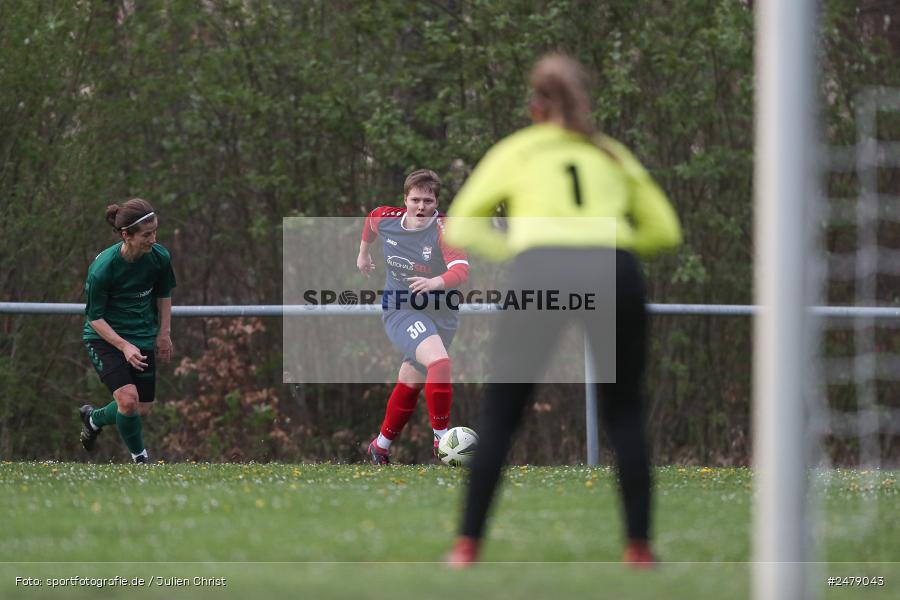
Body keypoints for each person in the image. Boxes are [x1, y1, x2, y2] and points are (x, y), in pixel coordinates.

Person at [443, 54, 682, 566]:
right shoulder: (609, 153)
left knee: (502, 414)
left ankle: (467, 547)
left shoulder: (520, 150)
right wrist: (611, 243)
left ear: (535, 108)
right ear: (582, 106)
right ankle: (639, 548)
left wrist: (525, 251)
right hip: (612, 270)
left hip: (541, 271)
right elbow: (665, 230)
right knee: (625, 413)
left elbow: (463, 223)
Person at [358, 169, 470, 465]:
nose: (421, 207)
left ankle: (379, 447)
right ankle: (442, 440)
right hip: (401, 308)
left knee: (411, 381)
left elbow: (461, 270)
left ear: (437, 203)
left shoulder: (446, 229)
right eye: (416, 200)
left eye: (428, 201)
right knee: (440, 362)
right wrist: (363, 254)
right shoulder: (388, 218)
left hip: (442, 314)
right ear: (405, 200)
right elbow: (371, 221)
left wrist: (435, 282)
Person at [79, 198, 176, 464]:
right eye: (147, 234)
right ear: (126, 235)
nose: (153, 239)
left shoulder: (159, 258)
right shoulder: (103, 269)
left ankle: (94, 418)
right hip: (104, 338)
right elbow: (94, 318)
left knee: (141, 409)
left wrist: (164, 333)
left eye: (155, 231)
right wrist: (123, 346)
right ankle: (141, 461)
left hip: (142, 335)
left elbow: (164, 294)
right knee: (128, 400)